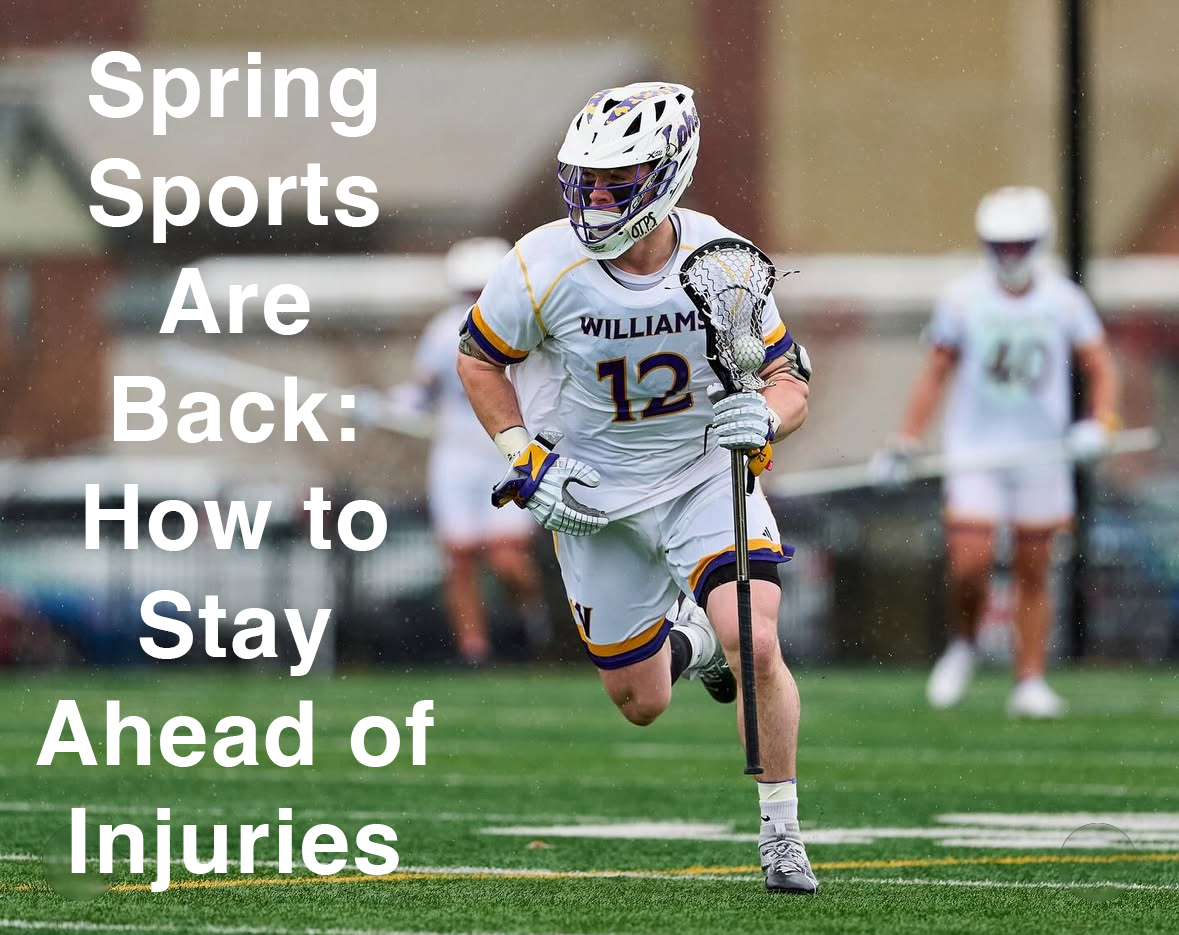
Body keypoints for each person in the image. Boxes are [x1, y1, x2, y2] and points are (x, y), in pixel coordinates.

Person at [455, 82, 818, 894]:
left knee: (755, 639)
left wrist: (763, 418)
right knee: (640, 700)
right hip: (591, 495)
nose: (595, 198)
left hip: (698, 478)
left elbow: (788, 378)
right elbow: (479, 358)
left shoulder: (719, 258)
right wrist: (526, 457)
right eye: (585, 180)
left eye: (615, 182)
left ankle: (781, 833)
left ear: (667, 173)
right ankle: (687, 647)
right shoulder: (541, 264)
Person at [870, 186, 1120, 718]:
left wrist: (1101, 423)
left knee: (1034, 566)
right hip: (975, 452)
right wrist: (905, 440)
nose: (1009, 256)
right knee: (971, 563)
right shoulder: (963, 298)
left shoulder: (1064, 300)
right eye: (999, 245)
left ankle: (1028, 679)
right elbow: (934, 373)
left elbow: (1100, 367)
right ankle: (963, 645)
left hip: (1041, 454)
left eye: (1019, 244)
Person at [357, 237, 549, 667]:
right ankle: (474, 653)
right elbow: (424, 393)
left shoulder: (529, 326)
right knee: (459, 558)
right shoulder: (444, 330)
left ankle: (530, 619)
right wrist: (384, 406)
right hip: (456, 456)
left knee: (505, 557)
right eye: (468, 292)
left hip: (510, 450)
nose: (474, 301)